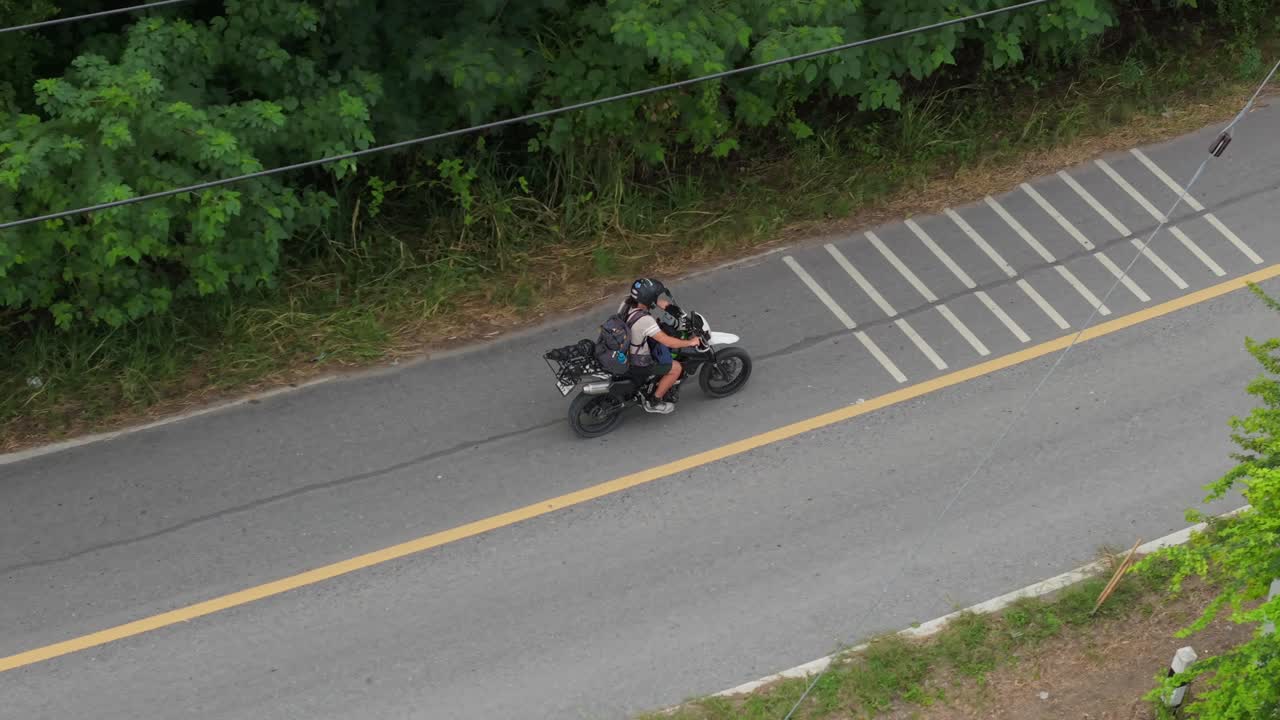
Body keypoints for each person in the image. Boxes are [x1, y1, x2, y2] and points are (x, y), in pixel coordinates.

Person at [619, 278, 701, 414]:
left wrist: (662, 304)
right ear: (647, 298)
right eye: (654, 296)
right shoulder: (645, 320)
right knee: (676, 368)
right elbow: (668, 342)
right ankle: (654, 401)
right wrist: (690, 342)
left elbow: (651, 304)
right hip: (638, 360)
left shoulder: (627, 303)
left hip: (626, 346)